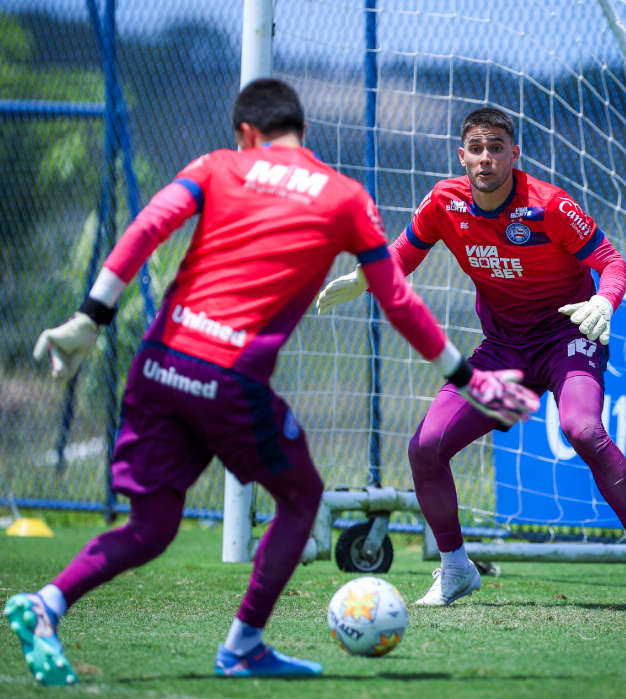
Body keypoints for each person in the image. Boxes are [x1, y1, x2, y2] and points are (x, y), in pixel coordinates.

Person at [4, 82, 539, 685]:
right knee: (300, 498)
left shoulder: (218, 165)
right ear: (300, 133)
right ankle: (242, 646)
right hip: (227, 378)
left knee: (150, 526)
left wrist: (90, 317)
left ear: (246, 135)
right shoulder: (343, 197)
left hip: (157, 364)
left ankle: (45, 605)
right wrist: (467, 378)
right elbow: (398, 300)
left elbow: (148, 226)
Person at [317, 106, 626, 607]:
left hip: (566, 337)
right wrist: (364, 276)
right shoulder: (445, 202)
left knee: (582, 429)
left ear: (514, 153)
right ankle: (456, 568)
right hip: (504, 351)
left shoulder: (549, 206)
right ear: (462, 155)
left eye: (496, 148)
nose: (486, 159)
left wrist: (603, 300)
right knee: (425, 448)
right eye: (477, 149)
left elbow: (611, 262)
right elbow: (403, 252)